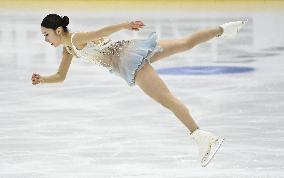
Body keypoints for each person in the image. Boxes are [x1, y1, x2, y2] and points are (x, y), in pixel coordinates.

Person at [32, 14, 247, 167]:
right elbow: (61, 76)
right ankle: (225, 29)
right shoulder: (69, 50)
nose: (45, 40)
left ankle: (202, 136)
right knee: (185, 43)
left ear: (58, 31)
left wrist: (125, 24)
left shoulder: (77, 39)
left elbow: (102, 31)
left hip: (129, 60)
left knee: (167, 100)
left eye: (46, 35)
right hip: (130, 50)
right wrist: (43, 80)